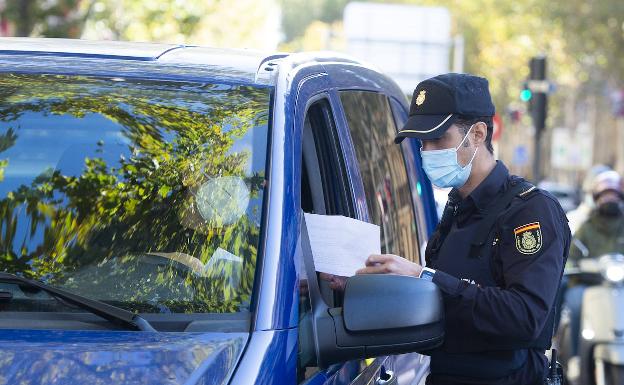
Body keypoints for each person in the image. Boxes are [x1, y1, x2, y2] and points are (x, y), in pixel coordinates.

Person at [356, 73, 571, 385]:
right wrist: (360, 285)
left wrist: (422, 277)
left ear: (478, 133)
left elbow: (524, 317)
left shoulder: (530, 211)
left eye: (439, 138)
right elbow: (438, 309)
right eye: (422, 142)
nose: (427, 150)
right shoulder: (457, 208)